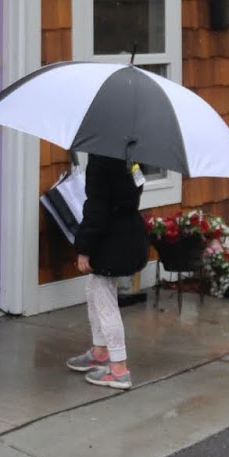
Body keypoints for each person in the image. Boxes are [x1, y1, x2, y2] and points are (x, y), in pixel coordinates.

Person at [66, 152, 148, 389]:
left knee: (104, 297)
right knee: (94, 288)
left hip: (111, 237)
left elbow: (96, 209)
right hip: (129, 232)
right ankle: (100, 352)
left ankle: (119, 368)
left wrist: (84, 248)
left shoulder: (102, 160)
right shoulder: (132, 156)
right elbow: (135, 190)